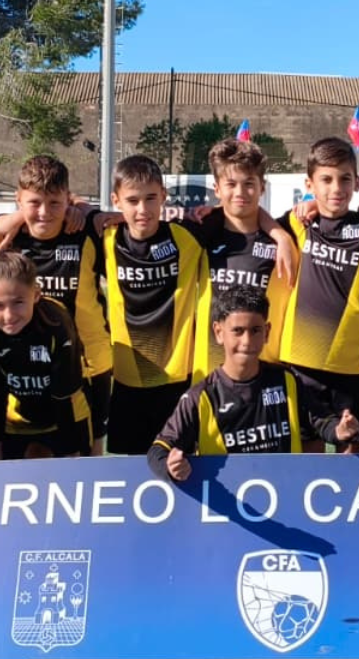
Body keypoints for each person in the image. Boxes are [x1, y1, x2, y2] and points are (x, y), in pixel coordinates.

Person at [275, 137, 359, 452]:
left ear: (357, 182)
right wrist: (279, 235)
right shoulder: (298, 222)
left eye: (345, 178)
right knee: (310, 449)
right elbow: (257, 223)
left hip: (351, 365)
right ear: (309, 184)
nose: (336, 188)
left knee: (351, 448)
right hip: (300, 362)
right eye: (326, 179)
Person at [150, 286, 359, 481]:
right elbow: (159, 450)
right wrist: (170, 467)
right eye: (238, 331)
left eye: (255, 330)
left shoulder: (286, 380)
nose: (247, 341)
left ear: (267, 332)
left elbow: (321, 421)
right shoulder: (201, 397)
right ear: (219, 332)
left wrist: (338, 431)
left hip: (285, 493)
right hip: (227, 503)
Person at [102, 154, 210, 455]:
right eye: (132, 200)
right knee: (133, 468)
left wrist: (279, 234)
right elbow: (65, 212)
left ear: (163, 195)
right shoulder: (105, 238)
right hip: (127, 379)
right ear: (116, 200)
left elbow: (238, 214)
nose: (142, 209)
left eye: (150, 198)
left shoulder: (188, 235)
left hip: (177, 378)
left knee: (181, 462)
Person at [192, 139, 299, 376]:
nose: (240, 192)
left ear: (262, 187)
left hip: (265, 374)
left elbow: (320, 211)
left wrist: (281, 236)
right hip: (209, 374)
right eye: (231, 184)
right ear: (217, 189)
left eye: (249, 183)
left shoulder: (285, 239)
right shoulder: (201, 235)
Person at [0, 251, 92, 459]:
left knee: (71, 473)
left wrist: (71, 452)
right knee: (2, 474)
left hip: (67, 415)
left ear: (36, 294)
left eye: (18, 302)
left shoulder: (56, 325)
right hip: (16, 421)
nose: (9, 316)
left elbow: (63, 396)